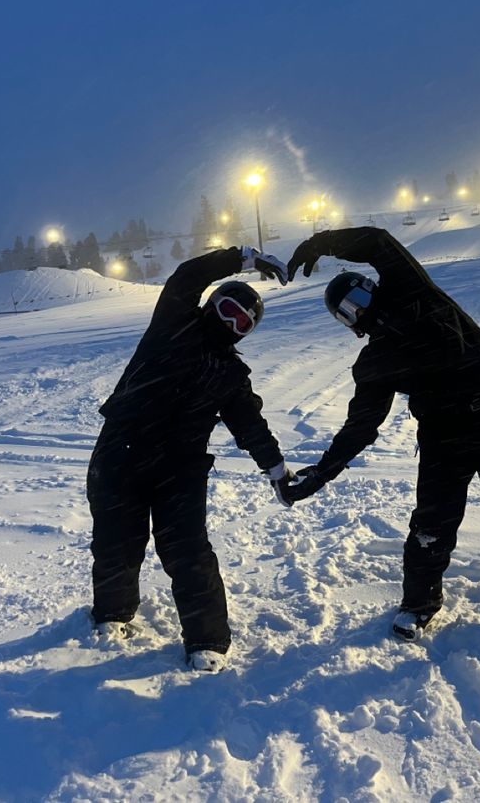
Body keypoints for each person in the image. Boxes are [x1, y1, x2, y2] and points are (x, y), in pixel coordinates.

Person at [284, 226, 480, 648]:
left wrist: (322, 242)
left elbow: (377, 241)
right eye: (349, 310)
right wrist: (322, 472)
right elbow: (361, 427)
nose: (361, 309)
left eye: (361, 296)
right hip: (444, 436)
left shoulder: (412, 290)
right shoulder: (373, 363)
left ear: (373, 286)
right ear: (348, 325)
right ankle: (419, 604)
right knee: (430, 526)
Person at [87, 245, 296, 673]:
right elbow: (186, 276)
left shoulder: (231, 375)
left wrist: (277, 471)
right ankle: (113, 613)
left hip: (179, 470)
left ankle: (207, 639)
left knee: (188, 551)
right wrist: (244, 259)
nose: (229, 323)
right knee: (116, 540)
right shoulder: (174, 322)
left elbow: (250, 426)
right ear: (210, 305)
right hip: (121, 451)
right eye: (226, 309)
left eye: (241, 322)